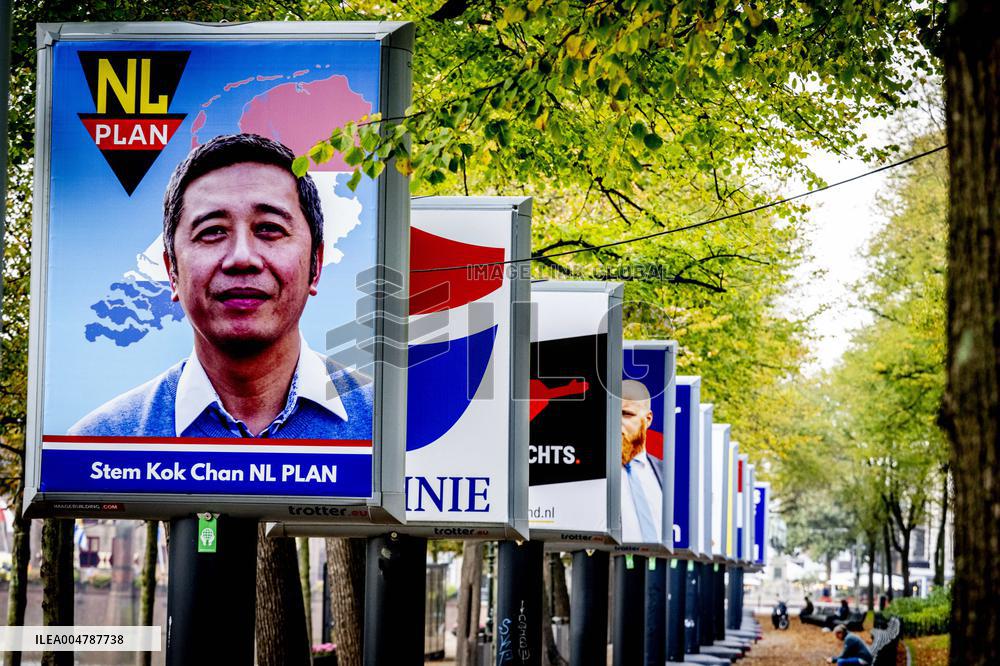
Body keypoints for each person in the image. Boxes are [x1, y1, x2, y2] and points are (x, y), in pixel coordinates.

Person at [70, 133, 372, 439]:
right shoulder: (101, 442)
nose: (242, 257)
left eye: (270, 228)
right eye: (212, 231)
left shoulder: (397, 436)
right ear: (172, 271)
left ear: (315, 265)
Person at [620, 379, 663, 543]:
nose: (617, 423)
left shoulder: (665, 473)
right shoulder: (596, 476)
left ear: (648, 418)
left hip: (658, 564)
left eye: (627, 414)